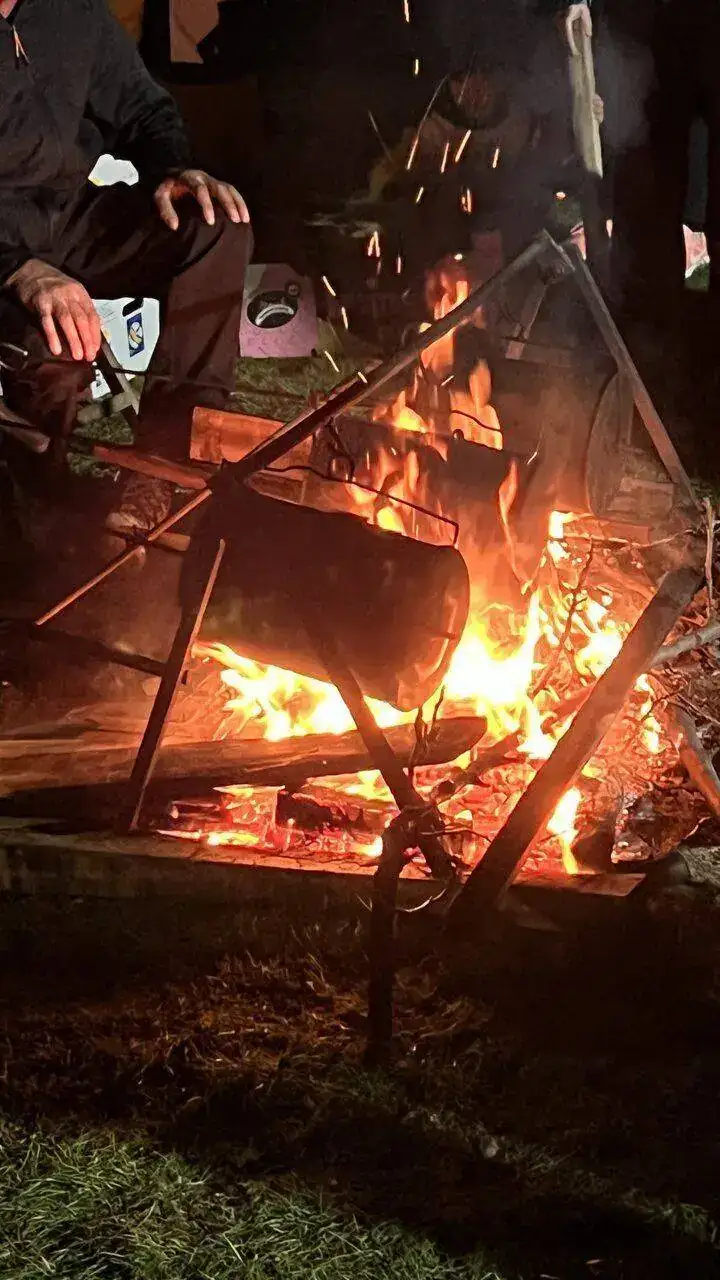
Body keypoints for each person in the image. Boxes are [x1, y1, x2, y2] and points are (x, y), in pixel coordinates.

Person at [0, 0, 252, 535]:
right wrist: (18, 268)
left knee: (213, 226)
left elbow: (144, 107)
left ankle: (165, 463)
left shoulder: (69, 12)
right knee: (53, 343)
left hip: (65, 214)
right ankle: (39, 493)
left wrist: (171, 168)